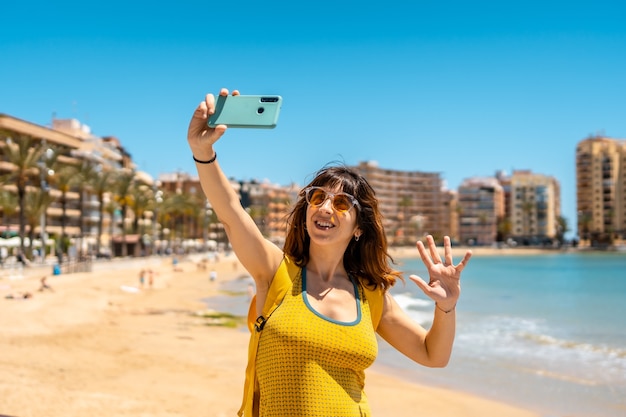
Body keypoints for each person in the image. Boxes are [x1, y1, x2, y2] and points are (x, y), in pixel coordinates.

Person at [187, 88, 472, 417]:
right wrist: (202, 151)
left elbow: (432, 355)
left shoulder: (371, 296)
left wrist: (446, 308)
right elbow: (231, 213)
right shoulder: (276, 271)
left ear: (359, 227)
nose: (325, 208)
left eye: (340, 203)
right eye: (317, 197)